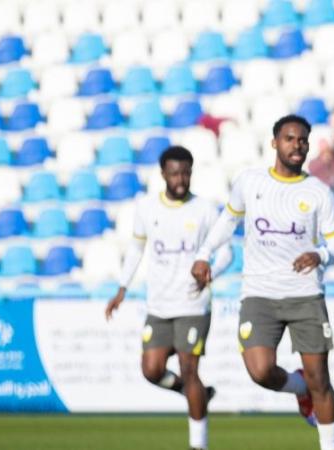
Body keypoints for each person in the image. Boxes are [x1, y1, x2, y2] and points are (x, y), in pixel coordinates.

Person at [190, 114, 334, 450]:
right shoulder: (250, 182)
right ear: (275, 143)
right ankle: (298, 387)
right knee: (261, 371)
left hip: (305, 295)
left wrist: (320, 255)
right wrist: (204, 253)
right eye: (290, 138)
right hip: (259, 294)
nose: (297, 145)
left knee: (321, 379)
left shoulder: (318, 192)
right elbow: (226, 222)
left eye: (303, 140)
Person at [105, 146, 233, 450]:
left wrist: (211, 271)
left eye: (186, 172)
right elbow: (136, 249)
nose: (181, 178)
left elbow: (227, 250)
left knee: (191, 371)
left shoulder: (204, 209)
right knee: (151, 370)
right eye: (175, 172)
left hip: (193, 304)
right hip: (159, 305)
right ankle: (199, 394)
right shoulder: (147, 208)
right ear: (163, 174)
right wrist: (122, 287)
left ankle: (198, 444)